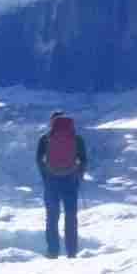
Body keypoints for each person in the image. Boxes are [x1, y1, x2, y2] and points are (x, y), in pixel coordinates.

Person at [34, 110, 88, 259]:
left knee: (52, 217)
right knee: (71, 216)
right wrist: (78, 175)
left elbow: (39, 159)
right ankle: (72, 252)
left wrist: (46, 176)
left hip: (51, 181)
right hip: (70, 181)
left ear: (52, 123)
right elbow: (83, 160)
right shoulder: (77, 138)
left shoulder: (45, 138)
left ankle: (53, 252)